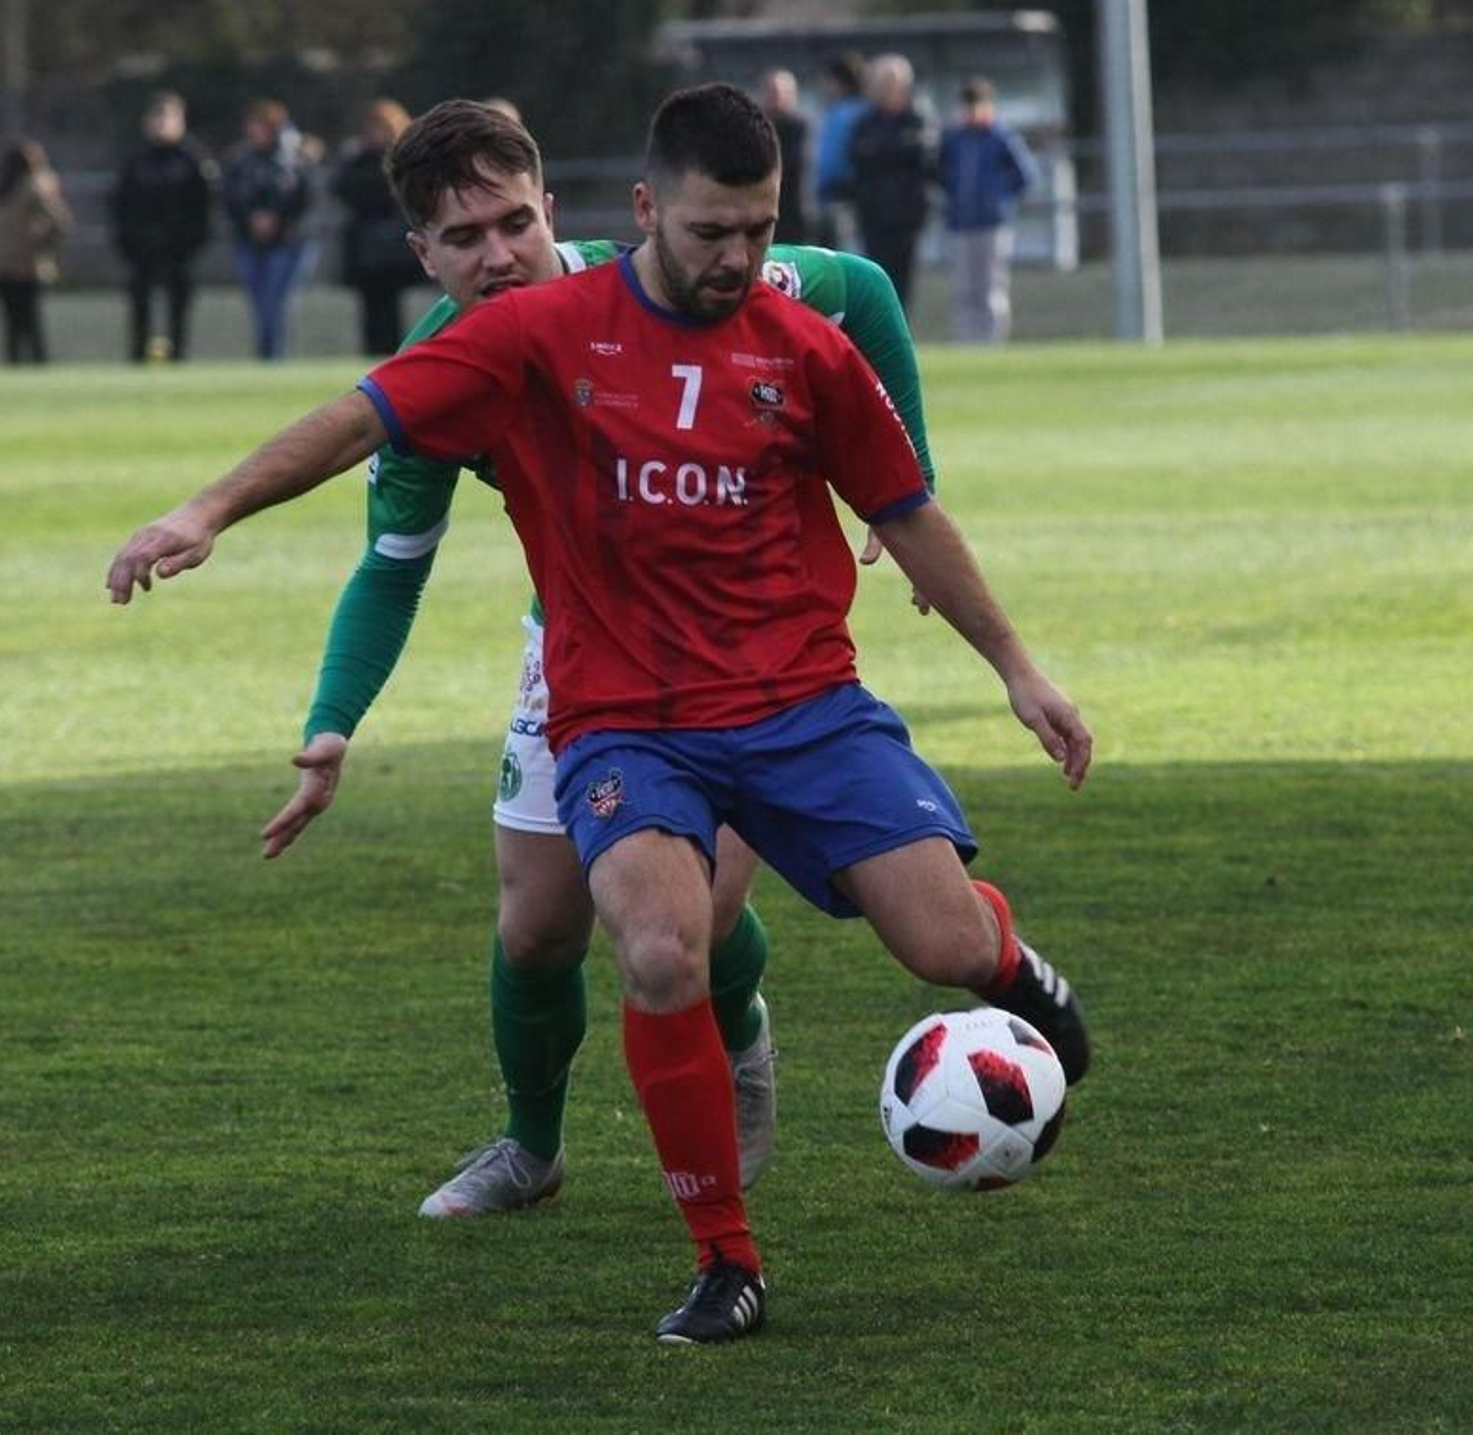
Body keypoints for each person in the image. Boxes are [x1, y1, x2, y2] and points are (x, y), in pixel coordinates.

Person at [105, 83, 1092, 1346]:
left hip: (801, 700)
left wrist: (1016, 666)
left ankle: (1016, 972)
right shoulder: (530, 333)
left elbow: (903, 508)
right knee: (655, 947)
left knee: (944, 949)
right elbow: (360, 419)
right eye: (707, 235)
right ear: (644, 213)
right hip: (622, 713)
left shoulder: (803, 335)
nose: (734, 258)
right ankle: (722, 1255)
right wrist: (204, 513)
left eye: (755, 231)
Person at [256, 99, 943, 1221]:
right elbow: (390, 565)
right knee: (535, 925)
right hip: (581, 645)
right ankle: (531, 1147)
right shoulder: (441, 373)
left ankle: (740, 1028)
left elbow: (858, 289)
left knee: (695, 915)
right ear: (419, 252)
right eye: (463, 238)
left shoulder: (667, 281)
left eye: (512, 223)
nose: (497, 255)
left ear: (552, 211)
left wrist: (907, 484)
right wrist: (332, 723)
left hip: (736, 648)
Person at [110, 91, 216, 363]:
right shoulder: (136, 161)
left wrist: (193, 241)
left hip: (179, 248)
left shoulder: (193, 161)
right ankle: (137, 355)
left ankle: (179, 356)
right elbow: (120, 204)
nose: (161, 124)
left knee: (178, 306)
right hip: (142, 247)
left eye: (167, 118)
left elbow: (204, 206)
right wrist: (128, 241)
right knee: (140, 305)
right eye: (156, 118)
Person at [938, 77, 1040, 344]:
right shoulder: (954, 140)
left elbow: (1025, 176)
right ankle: (966, 340)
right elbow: (940, 174)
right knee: (964, 287)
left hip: (992, 224)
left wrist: (1000, 199)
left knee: (991, 285)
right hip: (960, 223)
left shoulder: (1000, 138)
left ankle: (991, 340)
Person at [330, 98, 423, 355]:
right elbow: (340, 188)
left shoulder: (405, 159)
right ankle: (373, 352)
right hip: (367, 246)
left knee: (394, 307)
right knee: (371, 305)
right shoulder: (358, 160)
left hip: (396, 243)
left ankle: (397, 352)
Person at [222, 98, 313, 360]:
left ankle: (274, 356)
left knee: (277, 302)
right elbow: (229, 199)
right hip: (249, 242)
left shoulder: (293, 161)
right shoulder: (240, 161)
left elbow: (304, 200)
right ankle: (266, 355)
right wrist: (250, 219)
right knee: (260, 304)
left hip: (285, 241)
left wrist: (278, 219)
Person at [848, 53, 934, 313]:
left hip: (907, 216)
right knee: (877, 279)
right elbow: (860, 157)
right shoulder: (865, 123)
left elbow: (923, 156)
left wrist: (885, 152)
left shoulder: (917, 119)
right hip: (873, 214)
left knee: (903, 282)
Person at [0, 139, 72, 365]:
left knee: (13, 323)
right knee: (30, 322)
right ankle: (37, 363)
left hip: (2, 264)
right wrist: (45, 246)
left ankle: (15, 364)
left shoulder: (0, 188)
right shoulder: (34, 186)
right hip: (26, 264)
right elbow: (61, 221)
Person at [813, 51, 866, 251]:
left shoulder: (850, 113)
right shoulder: (837, 111)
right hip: (833, 196)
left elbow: (833, 160)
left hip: (844, 196)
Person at [758, 69, 808, 243]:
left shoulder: (802, 128)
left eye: (782, 92)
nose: (777, 97)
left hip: (796, 208)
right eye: (772, 92)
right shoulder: (756, 129)